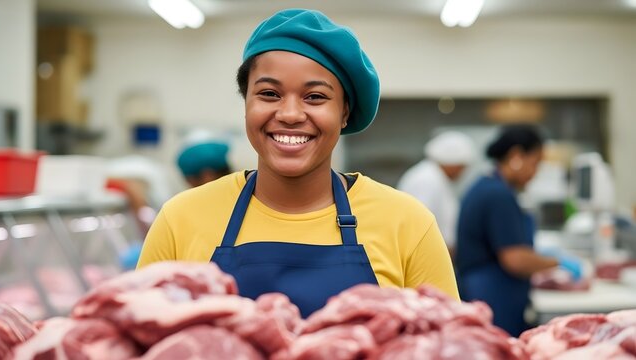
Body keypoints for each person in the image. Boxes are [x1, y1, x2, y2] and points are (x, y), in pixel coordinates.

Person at [137, 8, 458, 317]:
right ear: (246, 102)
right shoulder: (180, 219)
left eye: (315, 97)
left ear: (344, 112)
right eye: (269, 94)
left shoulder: (408, 224)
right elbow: (135, 338)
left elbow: (451, 345)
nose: (290, 114)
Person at [455, 124, 583, 337]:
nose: (536, 172)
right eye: (535, 163)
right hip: (493, 296)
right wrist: (558, 262)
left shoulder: (488, 186)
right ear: (516, 156)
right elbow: (515, 259)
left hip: (489, 292)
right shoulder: (498, 195)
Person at [397, 131, 475, 254]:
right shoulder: (426, 179)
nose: (462, 173)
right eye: (461, 167)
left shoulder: (436, 176)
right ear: (451, 162)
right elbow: (419, 225)